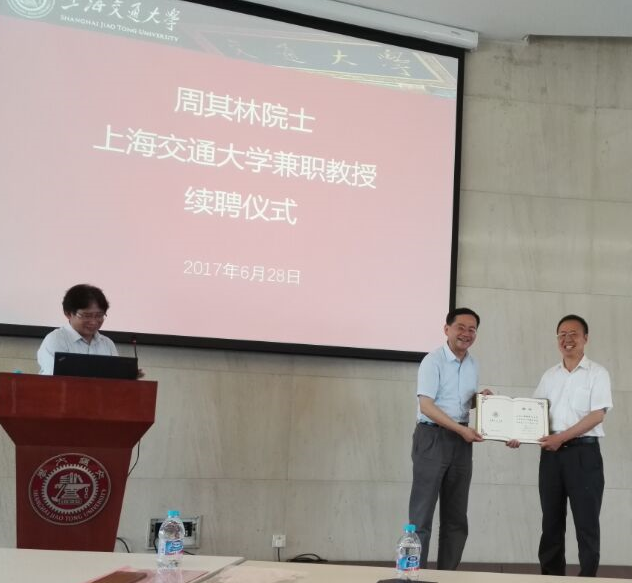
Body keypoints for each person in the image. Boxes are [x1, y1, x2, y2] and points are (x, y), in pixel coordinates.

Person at [507, 314, 612, 577]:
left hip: (584, 455)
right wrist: (516, 433)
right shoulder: (549, 376)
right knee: (551, 523)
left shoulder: (597, 373)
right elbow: (532, 413)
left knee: (586, 523)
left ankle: (588, 578)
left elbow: (597, 416)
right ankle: (551, 578)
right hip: (551, 457)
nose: (567, 339)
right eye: (562, 335)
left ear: (585, 338)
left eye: (573, 334)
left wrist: (560, 438)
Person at [408, 307, 491, 570]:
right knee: (421, 515)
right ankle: (414, 573)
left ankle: (447, 575)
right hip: (432, 437)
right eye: (460, 328)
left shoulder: (473, 364)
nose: (466, 334)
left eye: (472, 329)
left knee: (456, 517)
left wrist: (482, 400)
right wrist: (460, 429)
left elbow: (461, 402)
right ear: (447, 329)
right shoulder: (432, 361)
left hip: (461, 442)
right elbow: (427, 406)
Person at [37, 284, 118, 375]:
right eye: (87, 316)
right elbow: (54, 377)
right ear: (68, 314)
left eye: (99, 315)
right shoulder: (56, 339)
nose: (93, 322)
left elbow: (116, 377)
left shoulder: (107, 344)